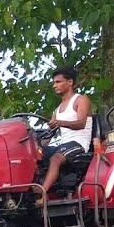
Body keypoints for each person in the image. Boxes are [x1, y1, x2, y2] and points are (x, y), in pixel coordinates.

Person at [36, 66, 94, 203]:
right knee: (35, 154)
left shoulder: (81, 99)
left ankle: (42, 194)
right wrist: (36, 146)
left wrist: (60, 123)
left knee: (55, 159)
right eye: (54, 82)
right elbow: (49, 137)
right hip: (64, 146)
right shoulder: (57, 110)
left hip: (78, 144)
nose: (54, 85)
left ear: (70, 82)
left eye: (58, 82)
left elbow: (81, 123)